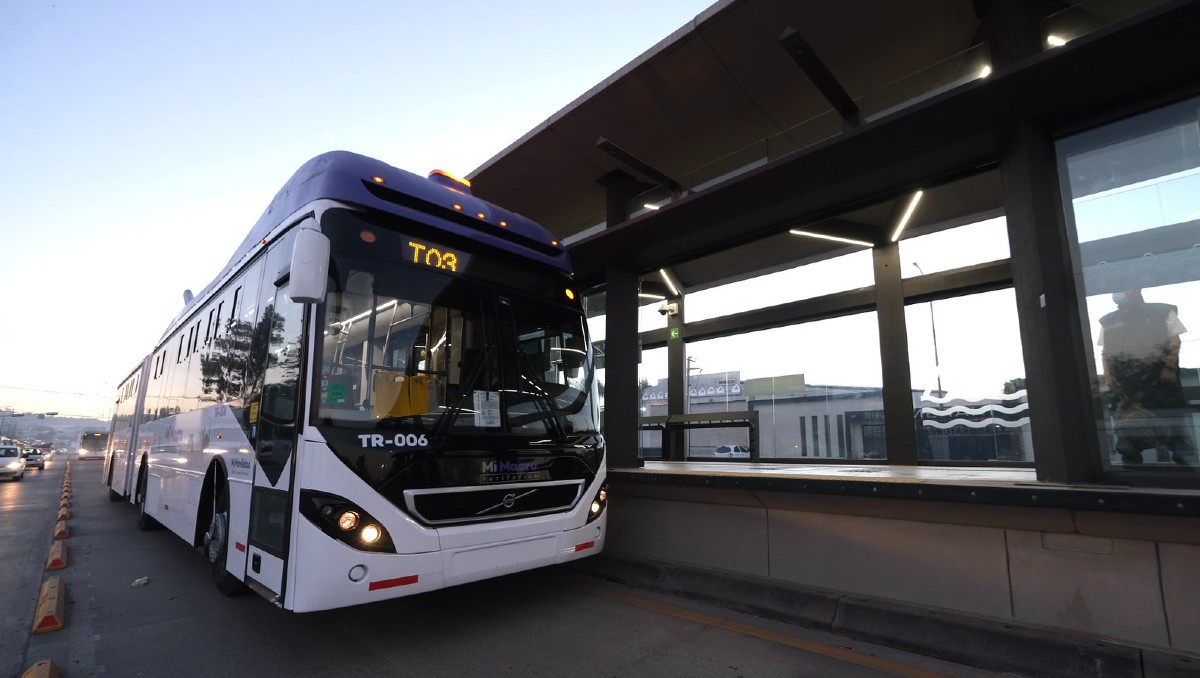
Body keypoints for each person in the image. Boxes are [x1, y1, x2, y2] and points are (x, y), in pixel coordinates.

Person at [1098, 289, 1195, 465]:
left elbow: (1175, 342)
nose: (1117, 294)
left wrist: (1168, 367)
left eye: (1122, 289)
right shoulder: (1108, 321)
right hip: (1125, 386)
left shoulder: (1162, 311)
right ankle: (1133, 475)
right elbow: (1105, 353)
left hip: (1160, 383)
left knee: (1175, 433)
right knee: (1128, 438)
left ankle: (1189, 477)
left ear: (1135, 291)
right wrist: (1108, 375)